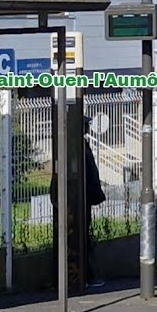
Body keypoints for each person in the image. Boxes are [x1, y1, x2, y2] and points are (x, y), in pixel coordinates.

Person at [50, 118, 107, 289]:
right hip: (77, 200)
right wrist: (95, 193)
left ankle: (80, 275)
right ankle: (82, 276)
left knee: (79, 236)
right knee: (78, 237)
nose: (88, 127)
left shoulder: (75, 144)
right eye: (85, 124)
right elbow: (87, 173)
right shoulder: (77, 147)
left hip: (79, 198)